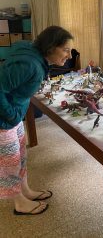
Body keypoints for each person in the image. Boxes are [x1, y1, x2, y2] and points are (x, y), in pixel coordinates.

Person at [0, 25, 74, 215]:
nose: (70, 56)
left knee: (21, 155)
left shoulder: (34, 53)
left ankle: (25, 191)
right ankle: (19, 203)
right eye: (66, 50)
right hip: (4, 119)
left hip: (13, 114)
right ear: (50, 47)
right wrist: (10, 114)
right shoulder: (29, 64)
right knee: (10, 161)